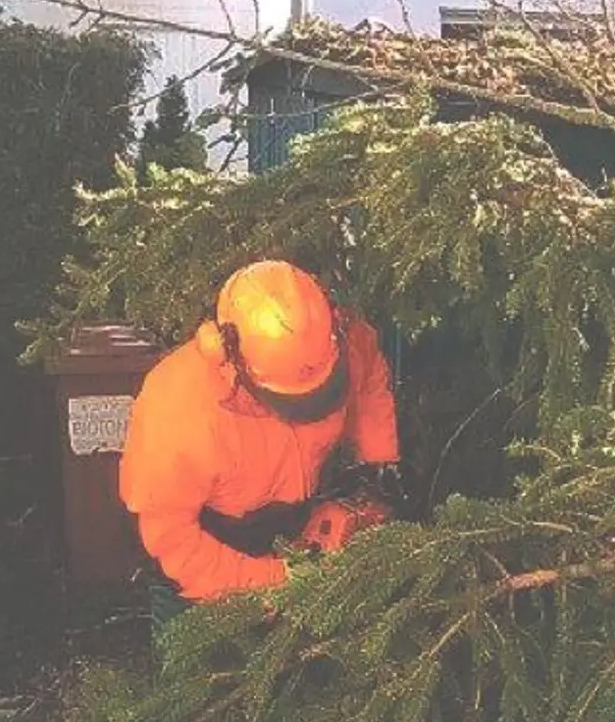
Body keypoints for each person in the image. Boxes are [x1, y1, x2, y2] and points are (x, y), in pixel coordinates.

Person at [118, 260, 406, 639]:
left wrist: (378, 458)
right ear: (228, 355)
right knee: (204, 681)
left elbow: (368, 374)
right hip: (204, 549)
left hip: (292, 523)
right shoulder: (178, 412)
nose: (308, 411)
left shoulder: (336, 341)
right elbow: (171, 540)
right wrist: (274, 580)